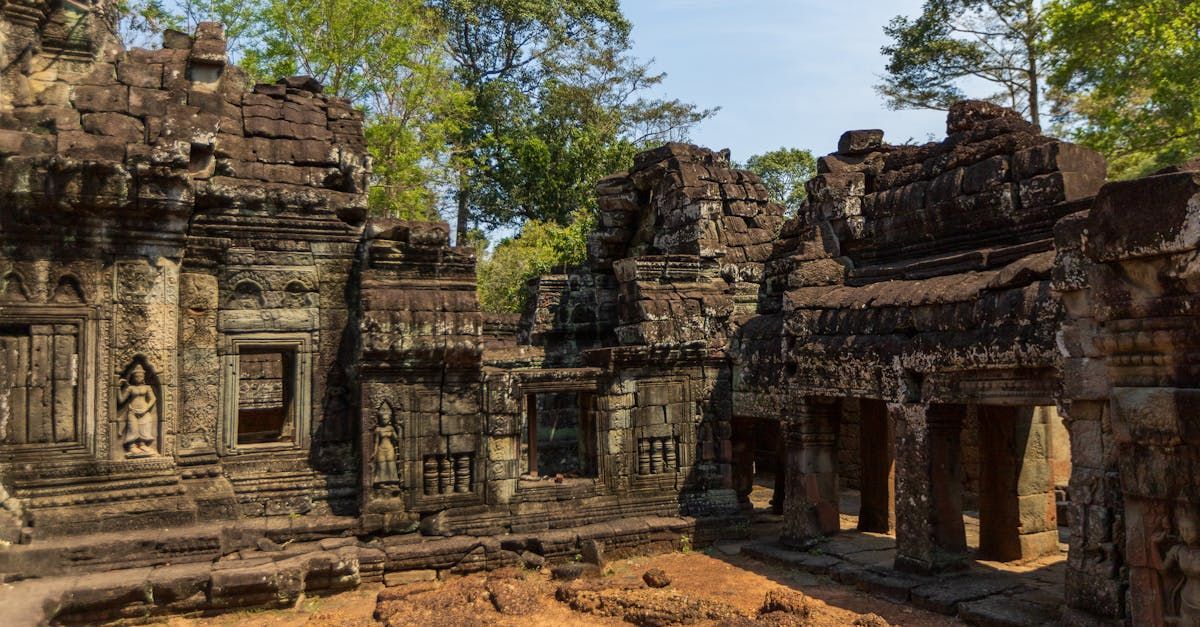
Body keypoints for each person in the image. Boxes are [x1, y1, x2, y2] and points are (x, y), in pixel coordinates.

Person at [1159, 504, 1200, 626]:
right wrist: (1153, 545)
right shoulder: (1178, 551)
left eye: (1189, 530)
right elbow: (1162, 571)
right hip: (1186, 599)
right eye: (1182, 530)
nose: (1185, 534)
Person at [118, 364, 157, 456]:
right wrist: (117, 387)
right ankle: (132, 446)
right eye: (136, 376)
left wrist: (146, 409)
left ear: (143, 377)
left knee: (145, 428)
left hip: (144, 411)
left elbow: (153, 399)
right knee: (133, 429)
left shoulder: (147, 387)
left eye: (141, 376)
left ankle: (142, 444)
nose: (138, 378)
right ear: (133, 377)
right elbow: (121, 400)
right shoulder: (130, 388)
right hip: (133, 412)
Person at [373, 405, 400, 486]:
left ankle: (392, 481)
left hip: (390, 448)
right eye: (384, 419)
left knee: (391, 465)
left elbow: (396, 438)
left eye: (387, 419)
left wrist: (399, 430)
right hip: (381, 449)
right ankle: (381, 482)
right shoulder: (378, 429)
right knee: (382, 465)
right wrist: (374, 453)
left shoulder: (391, 428)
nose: (385, 420)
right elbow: (376, 442)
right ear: (380, 419)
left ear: (389, 419)